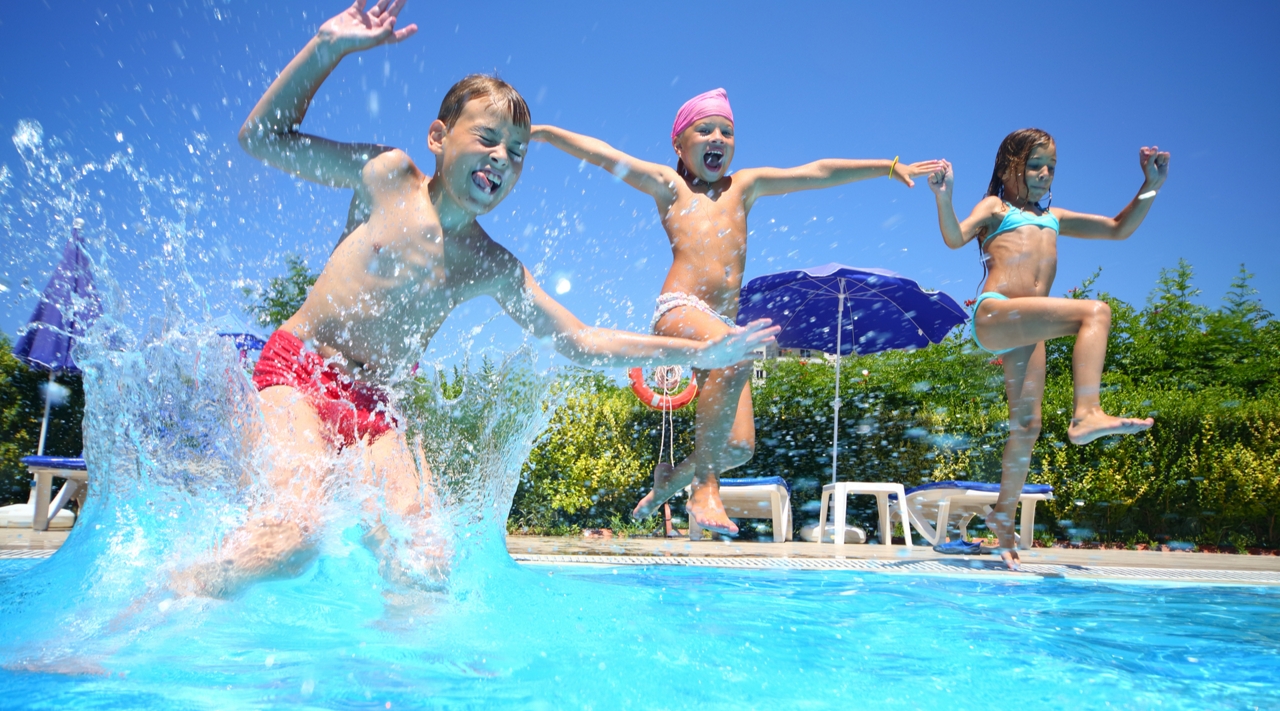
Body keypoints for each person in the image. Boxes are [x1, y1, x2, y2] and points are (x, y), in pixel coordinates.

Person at [171, 0, 778, 598]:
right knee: (291, 537)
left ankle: (397, 690)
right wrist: (328, 48)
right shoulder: (387, 178)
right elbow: (263, 137)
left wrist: (695, 354)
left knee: (425, 561)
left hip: (378, 407)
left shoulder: (492, 265)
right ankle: (158, 603)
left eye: (516, 152)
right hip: (301, 374)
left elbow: (580, 341)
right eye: (487, 138)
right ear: (438, 136)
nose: (501, 158)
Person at [533, 90, 939, 535]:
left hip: (722, 325)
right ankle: (704, 487)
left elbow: (815, 172)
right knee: (733, 354)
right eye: (704, 129)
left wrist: (886, 166)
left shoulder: (743, 187)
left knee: (740, 445)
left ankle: (671, 479)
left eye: (727, 131)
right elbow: (605, 155)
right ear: (678, 144)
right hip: (680, 309)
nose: (718, 138)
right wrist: (548, 134)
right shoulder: (670, 187)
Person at [927, 128, 1169, 569]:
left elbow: (1118, 229)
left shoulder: (1054, 217)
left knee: (1027, 425)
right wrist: (944, 197)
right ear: (1008, 168)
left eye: (1051, 166)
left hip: (1026, 330)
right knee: (1094, 312)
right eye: (1034, 164)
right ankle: (1087, 412)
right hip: (997, 312)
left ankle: (1002, 518)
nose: (1043, 173)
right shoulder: (995, 208)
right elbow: (953, 236)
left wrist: (1149, 187)